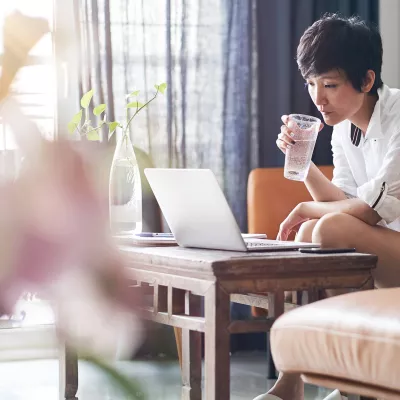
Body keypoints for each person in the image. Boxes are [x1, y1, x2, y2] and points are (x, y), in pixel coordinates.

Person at [254, 13, 400, 400]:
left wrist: (308, 209)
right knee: (311, 231)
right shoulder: (341, 127)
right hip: (387, 248)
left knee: (325, 228)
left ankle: (347, 386)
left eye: (330, 85)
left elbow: (366, 212)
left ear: (366, 80)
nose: (318, 99)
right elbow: (342, 202)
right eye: (311, 84)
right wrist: (300, 162)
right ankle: (293, 383)